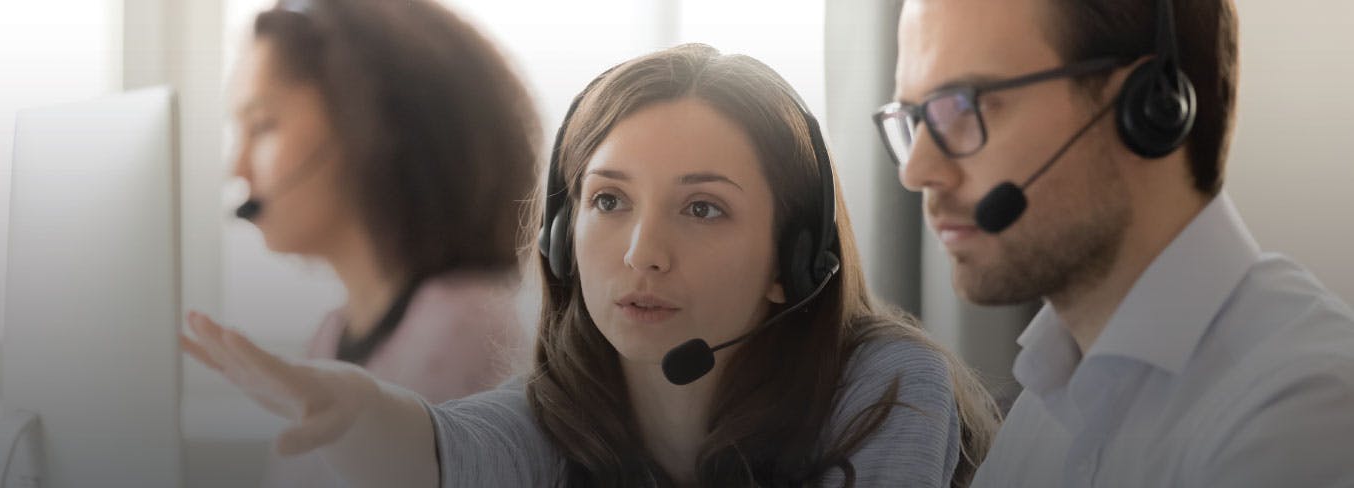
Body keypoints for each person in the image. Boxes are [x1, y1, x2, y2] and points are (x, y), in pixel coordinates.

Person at [185, 43, 1001, 487]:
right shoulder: (556, 414)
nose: (644, 252)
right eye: (610, 201)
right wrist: (358, 413)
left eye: (703, 207)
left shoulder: (887, 388)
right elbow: (441, 446)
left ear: (793, 261)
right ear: (560, 236)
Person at [878, 0, 1354, 486]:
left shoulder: (1299, 410)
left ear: (1149, 108)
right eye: (915, 117)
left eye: (965, 104)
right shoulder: (1048, 401)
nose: (916, 171)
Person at [222, 0, 538, 485]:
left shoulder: (461, 332)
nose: (236, 168)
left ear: (367, 123)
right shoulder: (332, 335)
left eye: (262, 126)